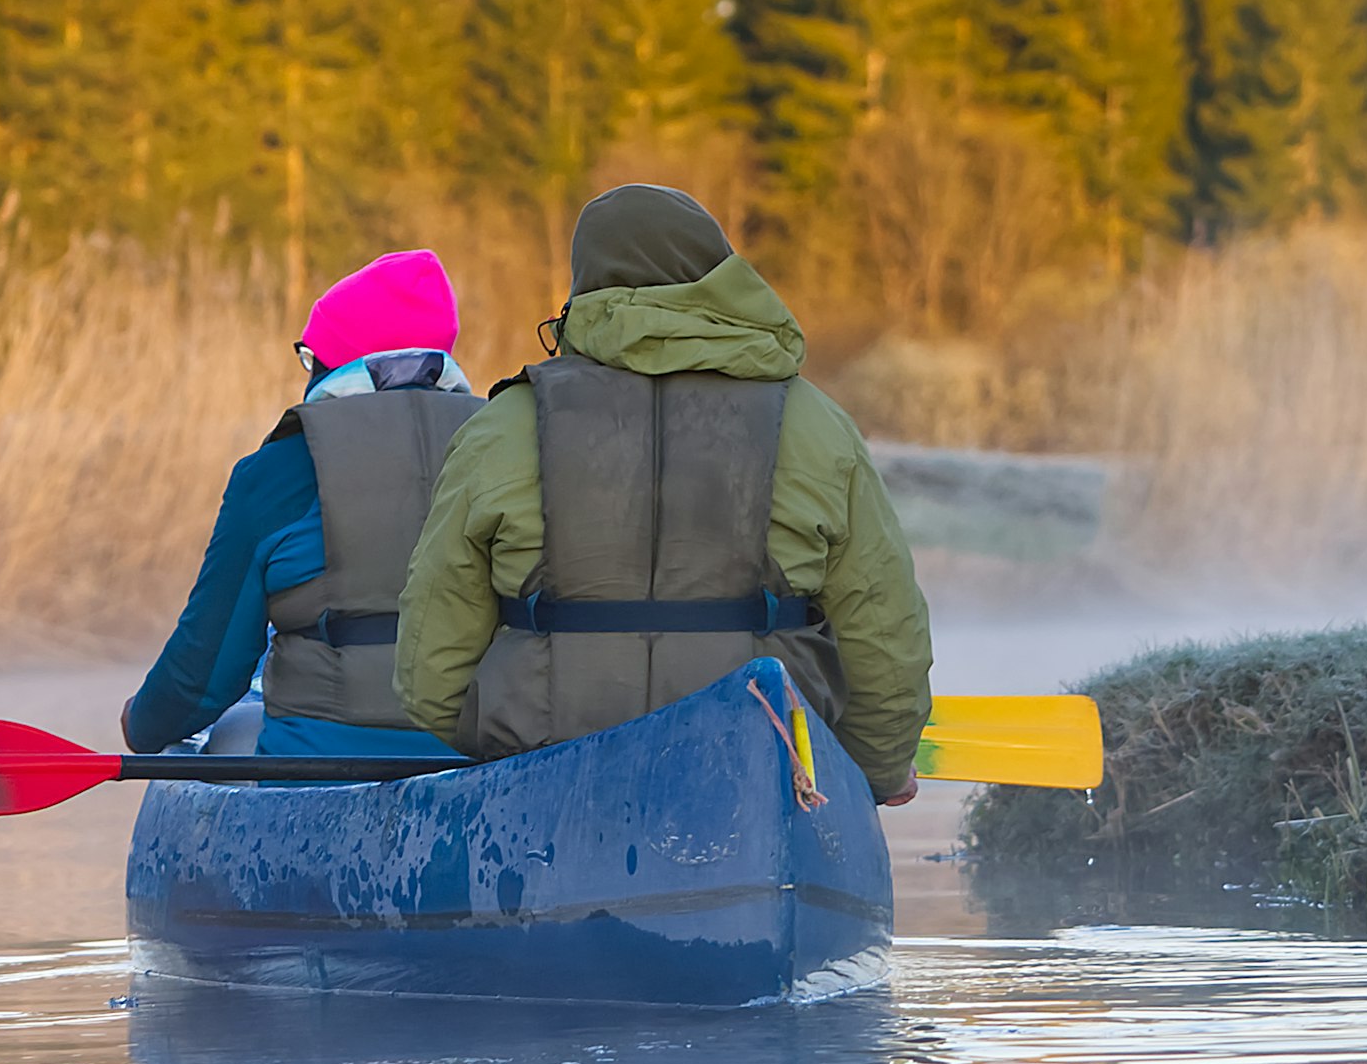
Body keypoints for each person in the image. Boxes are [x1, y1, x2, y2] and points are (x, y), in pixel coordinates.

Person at [395, 185, 929, 802]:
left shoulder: (503, 425)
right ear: (720, 275)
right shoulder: (816, 424)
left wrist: (497, 739)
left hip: (546, 783)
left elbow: (429, 669)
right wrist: (878, 771)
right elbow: (885, 637)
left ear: (583, 285)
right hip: (761, 778)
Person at [123, 249, 484, 759]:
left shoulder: (278, 470)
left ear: (330, 361)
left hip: (318, 756)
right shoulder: (502, 441)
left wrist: (142, 725)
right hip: (477, 751)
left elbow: (206, 673)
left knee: (206, 740)